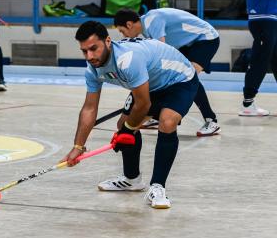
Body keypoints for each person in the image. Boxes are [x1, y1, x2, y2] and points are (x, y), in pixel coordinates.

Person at [61, 21, 199, 209]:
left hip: (179, 79)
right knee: (122, 125)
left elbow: (143, 104)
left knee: (167, 122)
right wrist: (78, 146)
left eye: (93, 49)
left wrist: (127, 130)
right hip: (151, 83)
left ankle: (157, 187)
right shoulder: (92, 69)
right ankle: (132, 179)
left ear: (108, 41)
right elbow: (89, 108)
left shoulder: (128, 59)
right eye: (84, 51)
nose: (90, 56)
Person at [114, 8, 220, 137]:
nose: (124, 36)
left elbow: (161, 52)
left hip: (205, 39)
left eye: (122, 31)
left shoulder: (152, 21)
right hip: (190, 43)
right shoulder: (147, 27)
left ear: (129, 24)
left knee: (189, 76)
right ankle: (159, 115)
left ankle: (211, 121)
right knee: (178, 76)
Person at [239, 0, 277, 116]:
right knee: (260, 61)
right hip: (264, 19)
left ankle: (248, 101)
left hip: (268, 18)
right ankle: (248, 104)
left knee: (274, 60)